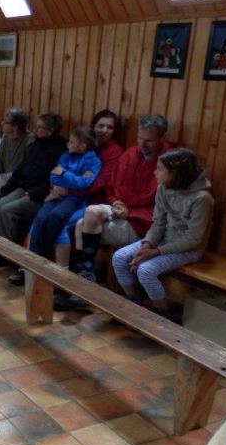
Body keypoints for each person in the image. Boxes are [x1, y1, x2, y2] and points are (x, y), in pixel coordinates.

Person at [55, 113, 172, 310]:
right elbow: (111, 186)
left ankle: (81, 287)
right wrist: (115, 202)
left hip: (143, 221)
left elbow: (164, 205)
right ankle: (84, 281)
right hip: (121, 208)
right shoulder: (130, 154)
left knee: (80, 227)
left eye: (149, 141)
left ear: (163, 137)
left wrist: (130, 212)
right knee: (90, 213)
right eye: (140, 138)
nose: (142, 145)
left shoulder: (168, 162)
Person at [111, 148, 213, 320]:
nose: (155, 172)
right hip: (163, 241)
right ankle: (132, 300)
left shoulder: (202, 198)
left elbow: (194, 239)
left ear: (174, 173)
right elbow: (158, 224)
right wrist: (147, 245)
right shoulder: (163, 188)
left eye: (160, 169)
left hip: (189, 249)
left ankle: (162, 313)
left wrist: (155, 252)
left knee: (146, 270)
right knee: (119, 257)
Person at [0, 112, 66, 268]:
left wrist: (36, 193)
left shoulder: (59, 151)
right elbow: (20, 170)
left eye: (39, 127)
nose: (35, 130)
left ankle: (6, 253)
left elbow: (54, 181)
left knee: (6, 211)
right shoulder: (34, 146)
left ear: (50, 131)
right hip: (24, 188)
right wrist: (6, 189)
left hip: (39, 196)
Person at [51, 110, 124, 271]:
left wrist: (70, 189)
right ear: (93, 127)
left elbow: (100, 182)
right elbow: (63, 170)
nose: (105, 131)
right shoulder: (83, 144)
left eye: (110, 127)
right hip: (71, 196)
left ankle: (66, 272)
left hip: (94, 201)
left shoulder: (115, 151)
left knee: (64, 225)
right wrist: (57, 186)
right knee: (44, 217)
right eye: (101, 126)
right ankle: (39, 265)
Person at [25, 126, 101, 262]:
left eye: (71, 142)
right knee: (41, 217)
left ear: (82, 146)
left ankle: (41, 254)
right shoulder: (65, 156)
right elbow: (54, 177)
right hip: (57, 194)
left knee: (56, 216)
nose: (67, 144)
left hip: (74, 199)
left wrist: (64, 174)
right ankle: (33, 257)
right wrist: (71, 179)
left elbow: (84, 184)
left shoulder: (94, 162)